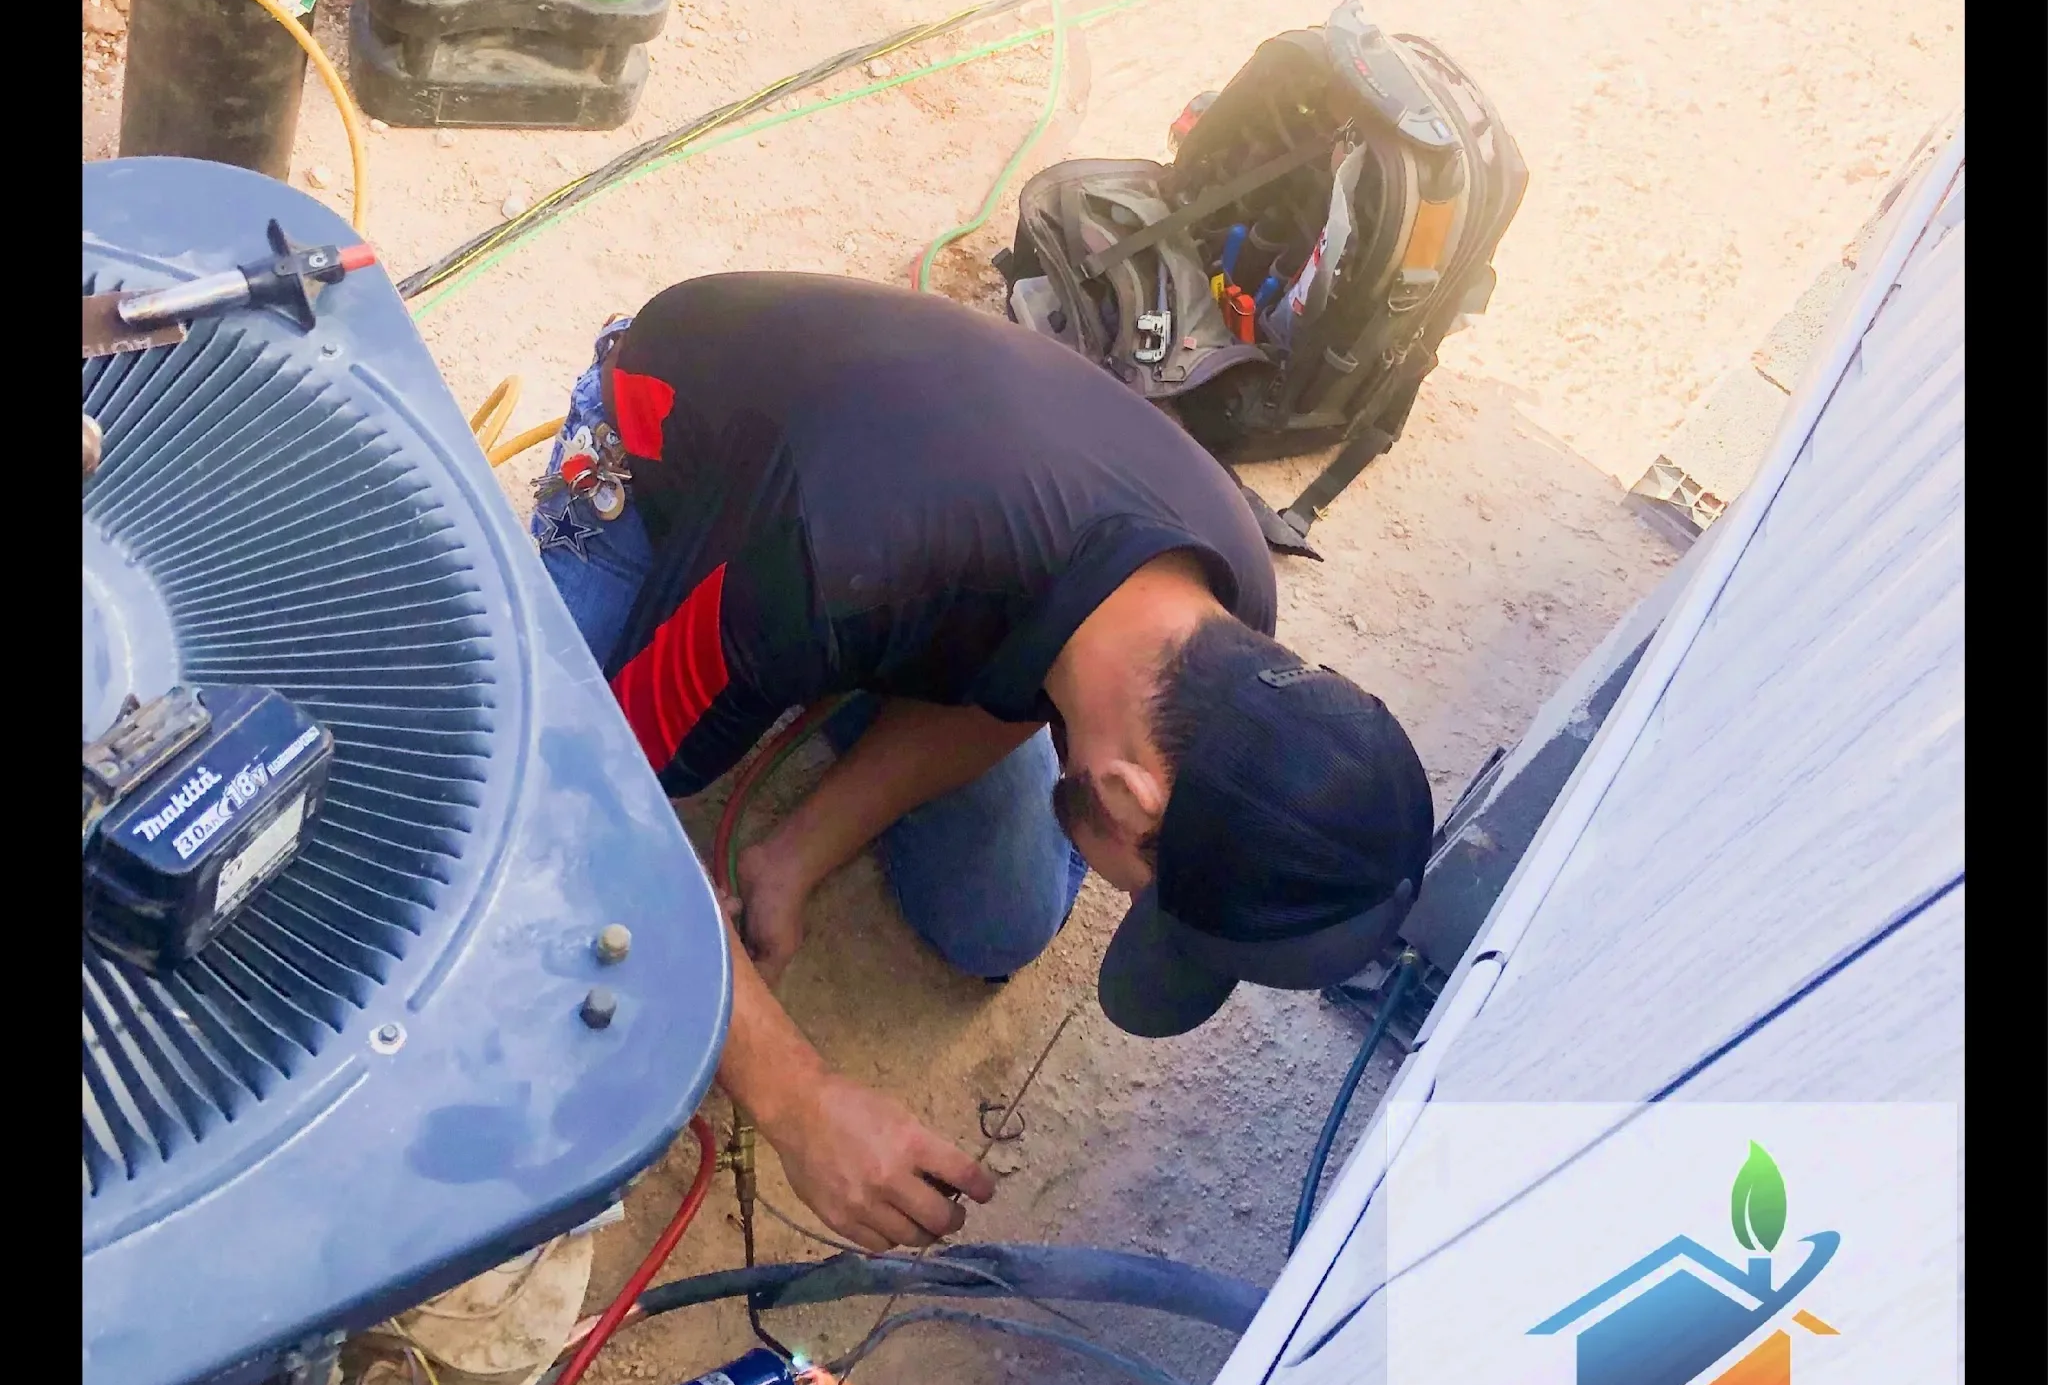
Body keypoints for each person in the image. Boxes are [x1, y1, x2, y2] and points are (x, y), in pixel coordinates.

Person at [533, 272, 1432, 1252]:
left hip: (874, 542)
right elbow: (597, 805)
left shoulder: (1222, 600)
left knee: (996, 918)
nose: (1135, 905)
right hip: (667, 457)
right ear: (1128, 793)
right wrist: (798, 1098)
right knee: (515, 800)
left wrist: (795, 856)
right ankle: (754, 645)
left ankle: (813, 670)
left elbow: (1040, 673)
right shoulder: (831, 563)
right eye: (1145, 892)